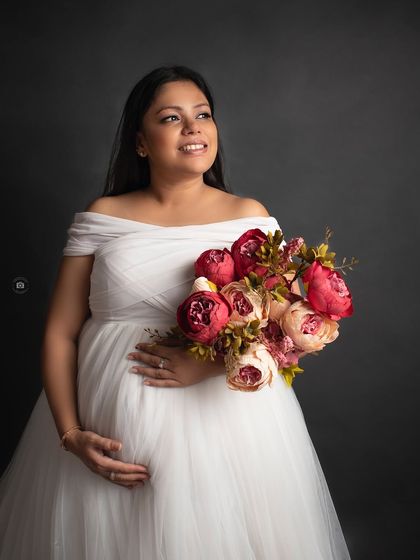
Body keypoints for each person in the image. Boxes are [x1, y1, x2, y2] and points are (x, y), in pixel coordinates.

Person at [0, 65, 351, 559]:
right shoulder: (103, 216)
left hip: (223, 427)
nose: (193, 127)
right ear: (141, 143)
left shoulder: (249, 217)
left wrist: (204, 364)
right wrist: (70, 434)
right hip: (106, 428)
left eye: (203, 114)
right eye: (171, 117)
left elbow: (282, 331)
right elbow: (60, 333)